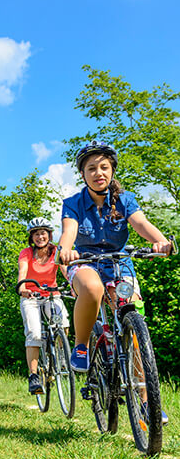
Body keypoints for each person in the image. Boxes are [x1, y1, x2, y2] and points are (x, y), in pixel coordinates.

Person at [58, 141, 171, 421]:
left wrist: (160, 241)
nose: (99, 173)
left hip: (119, 262)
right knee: (93, 288)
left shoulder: (125, 200)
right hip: (82, 262)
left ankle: (146, 403)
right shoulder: (73, 204)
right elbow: (68, 233)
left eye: (104, 167)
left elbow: (141, 224)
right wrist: (66, 250)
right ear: (83, 174)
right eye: (92, 168)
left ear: (112, 171)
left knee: (135, 331)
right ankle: (82, 345)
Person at [17, 217, 70, 395]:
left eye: (43, 233)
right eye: (36, 234)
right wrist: (22, 287)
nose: (40, 237)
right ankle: (33, 376)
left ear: (49, 235)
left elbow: (65, 270)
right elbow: (22, 271)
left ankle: (59, 357)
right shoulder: (26, 253)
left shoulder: (56, 251)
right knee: (34, 333)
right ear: (31, 237)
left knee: (62, 321)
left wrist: (73, 284)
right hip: (31, 296)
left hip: (52, 294)